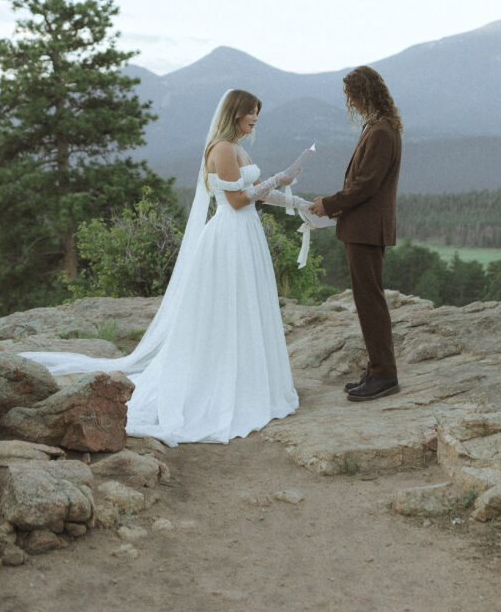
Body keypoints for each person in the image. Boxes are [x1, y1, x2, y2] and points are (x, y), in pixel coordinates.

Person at [21, 89, 317, 446]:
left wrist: (301, 204)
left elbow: (258, 193)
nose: (255, 118)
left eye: (257, 112)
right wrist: (281, 177)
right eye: (250, 112)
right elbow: (238, 201)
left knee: (245, 306)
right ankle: (219, 386)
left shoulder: (238, 147)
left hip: (246, 236)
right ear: (235, 113)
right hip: (229, 235)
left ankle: (246, 380)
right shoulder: (222, 149)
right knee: (225, 309)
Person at [310, 66, 402, 401]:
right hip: (363, 229)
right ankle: (377, 368)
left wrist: (328, 204)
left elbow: (366, 186)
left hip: (366, 229)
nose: (350, 101)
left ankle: (385, 375)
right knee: (368, 300)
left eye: (352, 95)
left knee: (370, 301)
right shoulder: (380, 127)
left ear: (364, 94)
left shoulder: (380, 132)